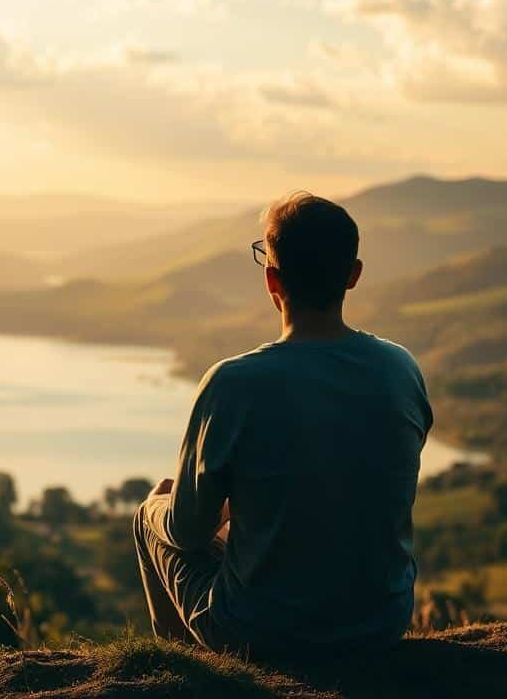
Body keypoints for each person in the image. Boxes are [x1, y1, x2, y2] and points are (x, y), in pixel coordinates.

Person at [133, 191, 433, 657]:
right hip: (381, 622)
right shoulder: (401, 369)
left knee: (153, 513)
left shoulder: (232, 383)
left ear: (272, 279)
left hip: (262, 632)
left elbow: (188, 533)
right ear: (353, 276)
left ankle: (185, 677)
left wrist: (177, 505)